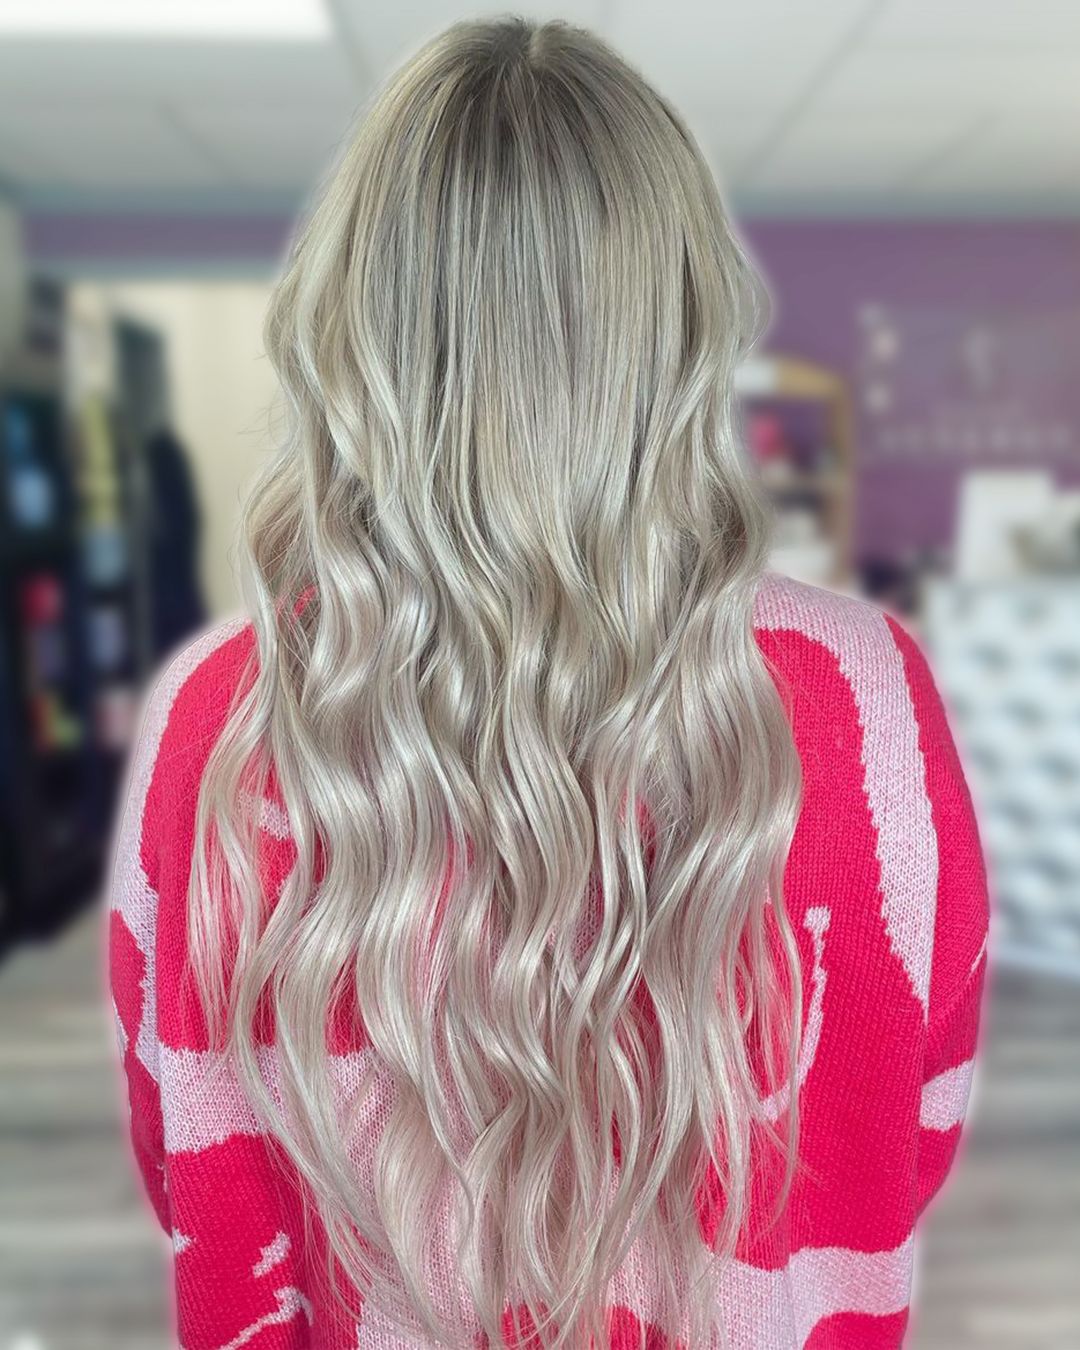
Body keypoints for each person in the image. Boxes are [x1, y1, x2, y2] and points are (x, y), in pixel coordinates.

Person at [106, 19, 989, 1350]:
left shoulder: (220, 721)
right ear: (680, 324)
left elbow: (184, 1152)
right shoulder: (857, 695)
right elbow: (915, 1123)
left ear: (354, 325)